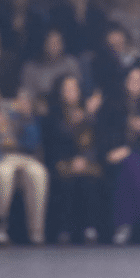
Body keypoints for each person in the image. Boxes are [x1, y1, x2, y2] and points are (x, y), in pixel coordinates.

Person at [97, 64, 140, 245]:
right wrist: (126, 129)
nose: (135, 84)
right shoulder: (112, 104)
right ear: (124, 82)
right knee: (127, 166)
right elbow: (103, 134)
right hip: (113, 156)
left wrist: (135, 140)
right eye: (131, 80)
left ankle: (123, 225)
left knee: (131, 165)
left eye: (139, 81)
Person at [0, 75, 49, 245]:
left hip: (22, 155)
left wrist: (27, 117)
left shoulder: (10, 109)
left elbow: (32, 142)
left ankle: (36, 232)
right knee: (3, 174)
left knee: (39, 173)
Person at [43, 75, 104, 244]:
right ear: (60, 92)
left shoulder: (90, 112)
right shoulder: (54, 115)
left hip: (87, 162)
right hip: (62, 161)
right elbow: (55, 143)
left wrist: (84, 159)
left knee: (89, 181)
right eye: (67, 89)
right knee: (66, 182)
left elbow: (96, 141)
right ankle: (64, 229)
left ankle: (90, 228)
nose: (71, 92)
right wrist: (71, 161)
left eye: (74, 88)